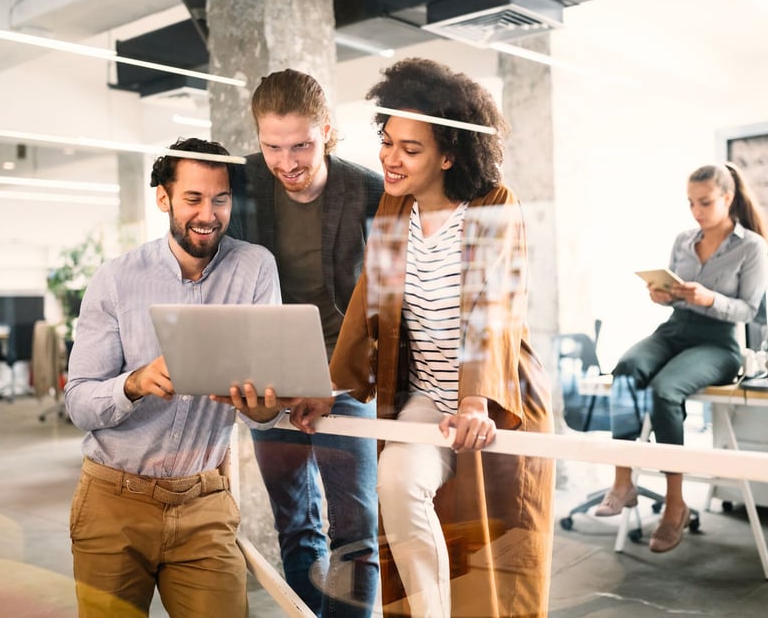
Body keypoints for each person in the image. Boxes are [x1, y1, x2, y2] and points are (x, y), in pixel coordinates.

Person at [291, 58, 555, 618]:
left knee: (502, 552)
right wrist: (329, 388)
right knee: (396, 484)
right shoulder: (395, 207)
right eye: (388, 142)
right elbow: (370, 300)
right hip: (427, 394)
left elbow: (494, 306)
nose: (390, 158)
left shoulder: (492, 204)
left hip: (497, 397)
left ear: (449, 154)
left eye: (410, 150)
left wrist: (475, 398)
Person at [64, 137, 291, 617]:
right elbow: (79, 403)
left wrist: (262, 403)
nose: (208, 214)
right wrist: (135, 382)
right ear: (163, 199)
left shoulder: (255, 269)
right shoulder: (116, 279)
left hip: (204, 502)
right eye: (193, 198)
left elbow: (265, 414)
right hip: (113, 501)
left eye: (220, 198)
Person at [228, 68, 383, 616]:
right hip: (273, 374)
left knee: (355, 528)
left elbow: (388, 302)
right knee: (294, 523)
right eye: (273, 146)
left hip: (344, 376)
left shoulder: (368, 188)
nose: (287, 163)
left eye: (302, 145)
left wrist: (340, 379)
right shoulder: (242, 183)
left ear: (327, 131)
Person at [593, 162, 768, 554]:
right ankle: (623, 481)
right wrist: (662, 293)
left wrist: (711, 298)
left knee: (664, 391)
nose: (696, 211)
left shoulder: (751, 247)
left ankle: (676, 503)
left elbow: (749, 311)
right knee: (625, 369)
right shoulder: (683, 239)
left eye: (705, 202)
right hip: (675, 330)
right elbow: (671, 290)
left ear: (728, 198)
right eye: (691, 203)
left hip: (718, 343)